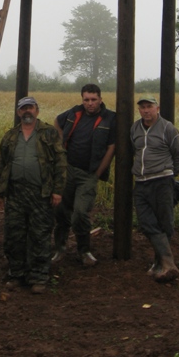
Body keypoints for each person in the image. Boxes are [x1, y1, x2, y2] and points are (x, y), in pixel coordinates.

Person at [0, 96, 67, 294]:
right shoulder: (10, 136)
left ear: (37, 111)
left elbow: (60, 163)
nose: (27, 112)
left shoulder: (49, 133)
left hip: (40, 193)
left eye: (31, 108)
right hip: (16, 193)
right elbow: (1, 165)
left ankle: (39, 276)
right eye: (23, 109)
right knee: (14, 235)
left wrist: (58, 190)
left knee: (40, 235)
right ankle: (17, 274)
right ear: (18, 112)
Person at [52, 84, 116, 266]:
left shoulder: (109, 118)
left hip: (88, 174)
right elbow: (57, 121)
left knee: (80, 212)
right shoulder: (74, 113)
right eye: (86, 99)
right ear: (82, 100)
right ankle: (60, 248)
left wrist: (97, 173)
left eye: (93, 99)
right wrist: (62, 144)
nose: (90, 103)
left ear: (101, 100)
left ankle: (84, 250)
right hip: (68, 170)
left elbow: (111, 148)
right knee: (61, 210)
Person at [130, 95, 179, 283]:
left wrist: (169, 175)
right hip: (141, 182)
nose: (146, 110)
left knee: (164, 223)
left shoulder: (168, 128)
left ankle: (161, 264)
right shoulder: (135, 128)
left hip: (162, 181)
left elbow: (178, 155)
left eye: (149, 107)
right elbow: (134, 150)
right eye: (142, 107)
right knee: (146, 223)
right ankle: (166, 263)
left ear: (157, 108)